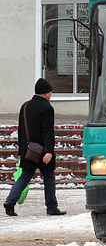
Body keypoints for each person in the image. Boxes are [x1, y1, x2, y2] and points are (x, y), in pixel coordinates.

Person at [4, 79, 65, 216]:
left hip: (29, 151)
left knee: (24, 177)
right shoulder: (47, 108)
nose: (51, 95)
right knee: (49, 177)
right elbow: (47, 131)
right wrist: (49, 151)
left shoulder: (25, 106)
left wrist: (21, 151)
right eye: (50, 92)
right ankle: (51, 207)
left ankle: (10, 201)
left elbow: (21, 131)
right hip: (42, 150)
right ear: (45, 93)